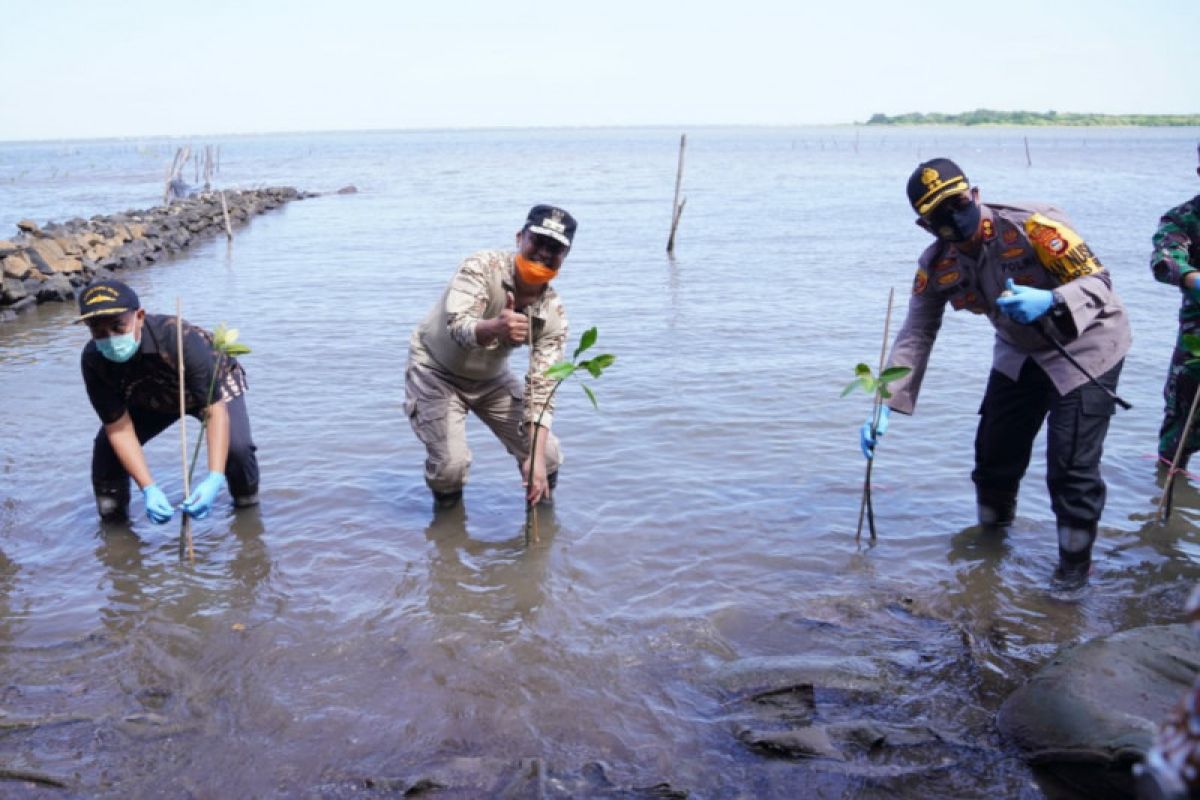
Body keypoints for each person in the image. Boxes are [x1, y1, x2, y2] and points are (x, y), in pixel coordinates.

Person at [860, 158, 1131, 588]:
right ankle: (989, 555)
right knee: (993, 457)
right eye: (937, 214)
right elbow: (917, 331)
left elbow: (1099, 282)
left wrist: (1053, 299)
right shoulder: (937, 264)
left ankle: (1073, 576)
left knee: (1070, 469)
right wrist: (884, 402)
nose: (952, 218)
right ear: (923, 224)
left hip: (1086, 343)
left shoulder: (1033, 229)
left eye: (956, 203)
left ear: (975, 195)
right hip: (1020, 349)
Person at [405, 205, 575, 511]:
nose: (544, 253)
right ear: (520, 237)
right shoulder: (482, 267)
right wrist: (494, 327)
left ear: (565, 256)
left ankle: (542, 536)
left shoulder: (553, 313)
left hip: (490, 378)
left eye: (556, 248)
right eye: (538, 241)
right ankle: (447, 541)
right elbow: (458, 325)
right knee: (450, 467)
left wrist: (534, 460)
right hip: (435, 370)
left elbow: (543, 387)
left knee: (546, 456)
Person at [78, 279, 259, 523]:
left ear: (139, 316)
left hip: (209, 389)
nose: (109, 339)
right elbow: (118, 429)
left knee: (236, 449)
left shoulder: (179, 338)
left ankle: (247, 511)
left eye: (118, 327)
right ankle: (115, 528)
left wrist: (214, 476)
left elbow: (214, 409)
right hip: (151, 395)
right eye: (98, 331)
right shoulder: (94, 361)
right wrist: (148, 488)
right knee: (107, 451)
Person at [1151, 145, 1200, 470]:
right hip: (1197, 341)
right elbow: (1165, 259)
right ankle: (1169, 496)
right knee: (1179, 428)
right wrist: (1193, 279)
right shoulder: (1182, 217)